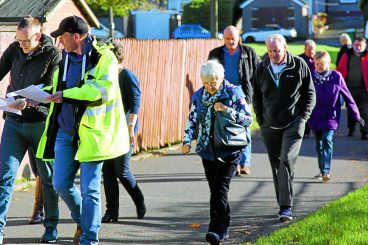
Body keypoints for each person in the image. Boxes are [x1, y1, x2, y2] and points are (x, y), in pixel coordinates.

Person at [36, 16, 130, 245]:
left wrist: (65, 95)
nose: (59, 40)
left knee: (90, 190)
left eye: (62, 36)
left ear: (75, 36)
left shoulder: (103, 58)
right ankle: (83, 220)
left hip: (93, 134)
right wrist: (36, 96)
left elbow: (99, 91)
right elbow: (59, 88)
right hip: (65, 132)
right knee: (60, 184)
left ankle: (90, 238)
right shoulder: (64, 58)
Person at [0, 16, 60, 244]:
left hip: (40, 123)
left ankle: (51, 228)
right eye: (18, 39)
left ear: (38, 36)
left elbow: (53, 86)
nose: (21, 44)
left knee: (47, 177)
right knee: (4, 178)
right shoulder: (14, 49)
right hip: (14, 122)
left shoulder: (53, 53)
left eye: (25, 41)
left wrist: (34, 99)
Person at [181, 60, 253, 244]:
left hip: (230, 149)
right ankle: (225, 225)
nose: (210, 86)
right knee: (216, 190)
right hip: (207, 149)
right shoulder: (199, 96)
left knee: (220, 189)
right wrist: (187, 141)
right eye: (206, 82)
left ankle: (215, 230)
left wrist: (227, 110)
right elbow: (192, 119)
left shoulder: (233, 92)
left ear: (221, 78)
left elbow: (248, 120)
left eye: (213, 81)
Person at [252, 34, 316, 222]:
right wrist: (260, 119)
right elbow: (256, 96)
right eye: (270, 51)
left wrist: (304, 117)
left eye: (277, 50)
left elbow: (310, 93)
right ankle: (283, 202)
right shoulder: (261, 67)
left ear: (285, 47)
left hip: (294, 122)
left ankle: (286, 207)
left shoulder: (298, 65)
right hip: (269, 125)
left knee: (286, 160)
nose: (273, 54)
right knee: (276, 165)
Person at [101, 41, 146, 223]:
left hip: (125, 129)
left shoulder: (126, 75)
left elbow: (136, 102)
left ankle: (139, 200)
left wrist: (130, 128)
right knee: (108, 171)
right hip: (108, 129)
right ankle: (111, 212)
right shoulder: (106, 76)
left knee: (122, 171)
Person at [208, 25, 260, 176]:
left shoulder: (249, 53)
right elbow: (209, 74)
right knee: (226, 132)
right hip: (223, 97)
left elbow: (258, 73)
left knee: (244, 130)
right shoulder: (215, 54)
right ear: (223, 39)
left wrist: (258, 94)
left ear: (239, 38)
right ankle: (232, 164)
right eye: (227, 39)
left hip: (243, 98)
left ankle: (245, 163)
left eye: (233, 39)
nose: (230, 42)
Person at [309, 51, 363, 182]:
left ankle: (326, 171)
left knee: (327, 140)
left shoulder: (336, 76)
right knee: (319, 145)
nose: (319, 66)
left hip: (330, 117)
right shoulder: (310, 77)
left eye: (322, 64)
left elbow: (348, 97)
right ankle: (322, 170)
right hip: (315, 116)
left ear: (328, 63)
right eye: (317, 64)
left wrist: (357, 116)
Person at [337, 37, 368, 140]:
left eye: (360, 45)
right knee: (351, 110)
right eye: (356, 45)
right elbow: (340, 69)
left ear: (365, 46)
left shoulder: (367, 56)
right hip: (349, 88)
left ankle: (365, 131)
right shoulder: (347, 55)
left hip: (364, 89)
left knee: (364, 111)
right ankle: (351, 128)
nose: (357, 47)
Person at [298, 39, 316, 138]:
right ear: (305, 49)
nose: (311, 52)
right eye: (309, 49)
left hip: (316, 89)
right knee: (304, 110)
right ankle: (306, 131)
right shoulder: (299, 59)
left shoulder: (317, 59)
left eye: (313, 49)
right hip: (302, 89)